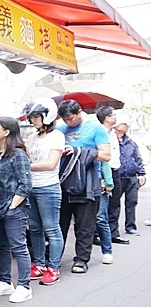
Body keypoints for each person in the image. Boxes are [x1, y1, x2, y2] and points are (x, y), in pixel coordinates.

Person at [57, 100, 110, 274]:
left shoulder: (96, 128)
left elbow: (106, 155)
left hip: (87, 182)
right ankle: (54, 259)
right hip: (62, 180)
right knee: (59, 224)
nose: (68, 123)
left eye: (71, 119)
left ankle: (81, 260)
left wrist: (79, 151)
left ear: (79, 112)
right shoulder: (59, 130)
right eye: (65, 120)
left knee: (85, 225)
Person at [0, 117, 33, 303]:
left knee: (18, 246)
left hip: (12, 209)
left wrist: (13, 205)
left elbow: (26, 184)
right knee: (1, 246)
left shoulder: (18, 155)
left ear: (7, 132)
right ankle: (5, 282)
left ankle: (24, 286)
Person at [23, 99, 65, 286]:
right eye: (31, 117)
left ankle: (53, 268)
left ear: (46, 116)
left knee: (52, 229)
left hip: (48, 188)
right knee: (35, 229)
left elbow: (50, 164)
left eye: (35, 117)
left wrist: (26, 166)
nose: (33, 120)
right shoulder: (31, 138)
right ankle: (39, 264)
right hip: (31, 187)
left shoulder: (57, 136)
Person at [101, 107, 130, 245]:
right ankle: (99, 234)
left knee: (115, 203)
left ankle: (113, 233)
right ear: (107, 117)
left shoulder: (113, 133)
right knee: (102, 205)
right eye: (113, 115)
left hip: (116, 169)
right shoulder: (100, 132)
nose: (115, 118)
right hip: (104, 169)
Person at [113, 116, 146, 236]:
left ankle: (131, 226)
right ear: (117, 126)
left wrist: (141, 173)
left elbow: (137, 158)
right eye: (125, 124)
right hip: (118, 175)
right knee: (114, 204)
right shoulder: (111, 140)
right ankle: (113, 229)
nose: (127, 126)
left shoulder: (131, 142)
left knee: (132, 202)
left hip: (131, 176)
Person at [94, 107, 118, 261]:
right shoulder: (99, 132)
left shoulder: (105, 134)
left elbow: (105, 162)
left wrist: (108, 182)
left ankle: (107, 250)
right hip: (88, 182)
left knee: (100, 218)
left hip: (101, 181)